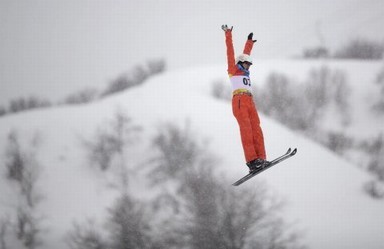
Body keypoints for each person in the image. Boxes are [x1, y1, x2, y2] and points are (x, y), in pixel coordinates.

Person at [222, 24, 269, 173]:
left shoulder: (245, 71)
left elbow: (245, 54)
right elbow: (231, 53)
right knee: (247, 131)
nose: (248, 67)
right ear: (240, 63)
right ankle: (252, 161)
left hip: (250, 101)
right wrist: (228, 34)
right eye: (247, 64)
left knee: (257, 129)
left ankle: (261, 158)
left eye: (249, 64)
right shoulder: (233, 69)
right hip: (240, 101)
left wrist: (249, 43)